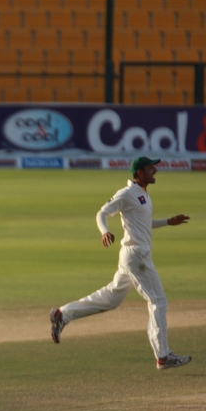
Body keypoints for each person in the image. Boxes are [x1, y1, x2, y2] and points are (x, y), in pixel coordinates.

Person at [50, 156, 192, 370]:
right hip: (137, 255)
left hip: (132, 255)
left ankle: (63, 314)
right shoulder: (126, 193)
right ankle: (163, 355)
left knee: (112, 298)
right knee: (158, 301)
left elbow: (143, 223)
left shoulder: (144, 194)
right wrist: (105, 231)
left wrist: (168, 222)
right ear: (139, 173)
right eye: (150, 167)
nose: (155, 170)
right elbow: (102, 212)